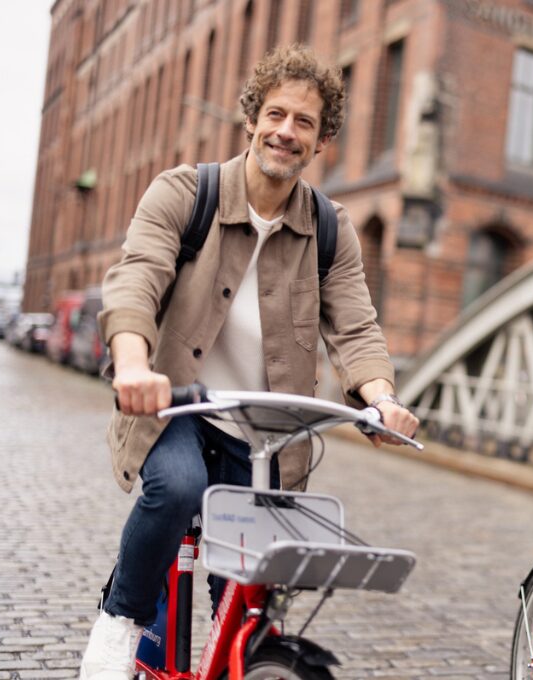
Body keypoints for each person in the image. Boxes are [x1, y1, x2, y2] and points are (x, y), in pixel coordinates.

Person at [80, 45, 419, 677]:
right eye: (277, 115)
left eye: (305, 123)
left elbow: (355, 327)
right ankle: (119, 622)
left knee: (246, 602)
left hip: (264, 432)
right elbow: (136, 282)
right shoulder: (187, 192)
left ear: (322, 141)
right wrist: (132, 365)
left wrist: (382, 400)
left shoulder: (330, 227)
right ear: (252, 119)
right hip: (177, 404)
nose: (286, 132)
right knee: (177, 486)